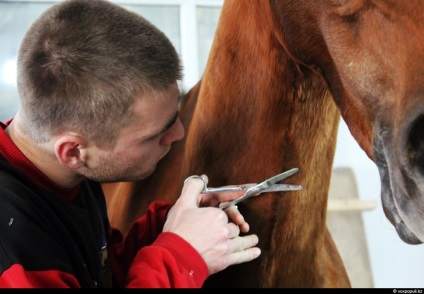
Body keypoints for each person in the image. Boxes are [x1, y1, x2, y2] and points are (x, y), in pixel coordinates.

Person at [0, 0, 261, 288]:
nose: (178, 134)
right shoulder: (12, 254)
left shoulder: (69, 173)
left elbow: (98, 273)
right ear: (74, 151)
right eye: (155, 134)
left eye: (174, 116)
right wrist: (181, 259)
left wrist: (172, 225)